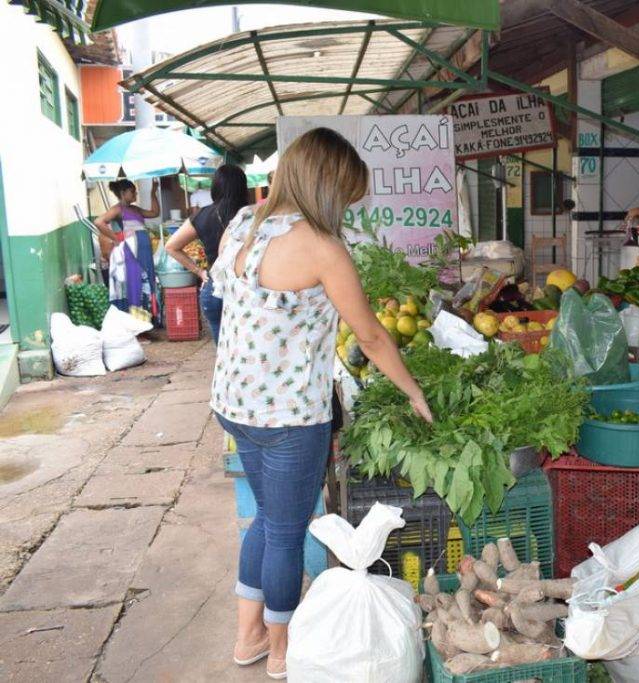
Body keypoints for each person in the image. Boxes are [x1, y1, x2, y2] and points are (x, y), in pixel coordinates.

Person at [210, 127, 433, 679]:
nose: (347, 210)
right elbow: (373, 338)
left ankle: (248, 636)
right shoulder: (321, 247)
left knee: (265, 517)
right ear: (326, 187)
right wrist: (413, 391)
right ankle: (282, 651)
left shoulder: (243, 223)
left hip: (235, 402)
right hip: (289, 417)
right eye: (346, 197)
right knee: (287, 532)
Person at [164, 164, 248, 343]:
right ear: (242, 187)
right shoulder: (251, 215)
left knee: (223, 358)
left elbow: (171, 246)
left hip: (215, 288)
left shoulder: (202, 215)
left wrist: (200, 272)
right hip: (246, 289)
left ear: (215, 187)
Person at [94, 179, 161, 314]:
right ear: (122, 193)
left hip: (144, 252)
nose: (135, 195)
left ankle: (146, 322)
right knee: (135, 284)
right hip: (132, 253)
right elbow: (99, 222)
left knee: (146, 282)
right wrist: (116, 238)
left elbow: (154, 213)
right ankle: (137, 323)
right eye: (132, 192)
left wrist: (152, 192)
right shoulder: (118, 209)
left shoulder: (135, 208)